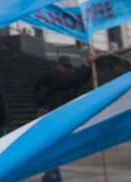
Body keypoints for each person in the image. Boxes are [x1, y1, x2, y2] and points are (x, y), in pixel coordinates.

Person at [32, 52, 97, 182]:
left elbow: (77, 81)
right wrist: (86, 64)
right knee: (51, 147)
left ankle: (52, 175)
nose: (68, 70)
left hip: (52, 113)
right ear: (60, 66)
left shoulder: (55, 79)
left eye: (69, 68)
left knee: (53, 147)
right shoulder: (55, 78)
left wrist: (88, 67)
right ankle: (52, 176)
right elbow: (74, 80)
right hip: (50, 115)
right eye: (66, 67)